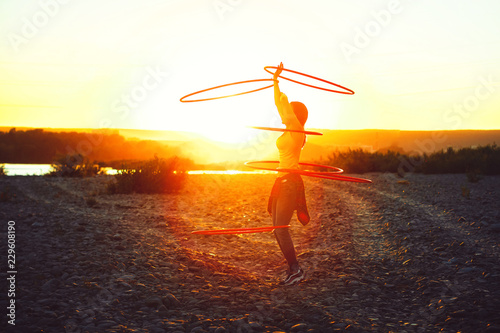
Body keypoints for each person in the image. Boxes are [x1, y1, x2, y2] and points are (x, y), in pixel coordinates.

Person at [268, 62, 310, 286]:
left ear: (295, 116)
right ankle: (293, 268)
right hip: (280, 180)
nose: (284, 115)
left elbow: (284, 108)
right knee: (276, 227)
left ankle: (296, 270)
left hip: (290, 182)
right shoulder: (288, 131)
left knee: (280, 228)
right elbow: (279, 105)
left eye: (289, 113)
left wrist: (284, 99)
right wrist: (275, 81)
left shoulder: (297, 133)